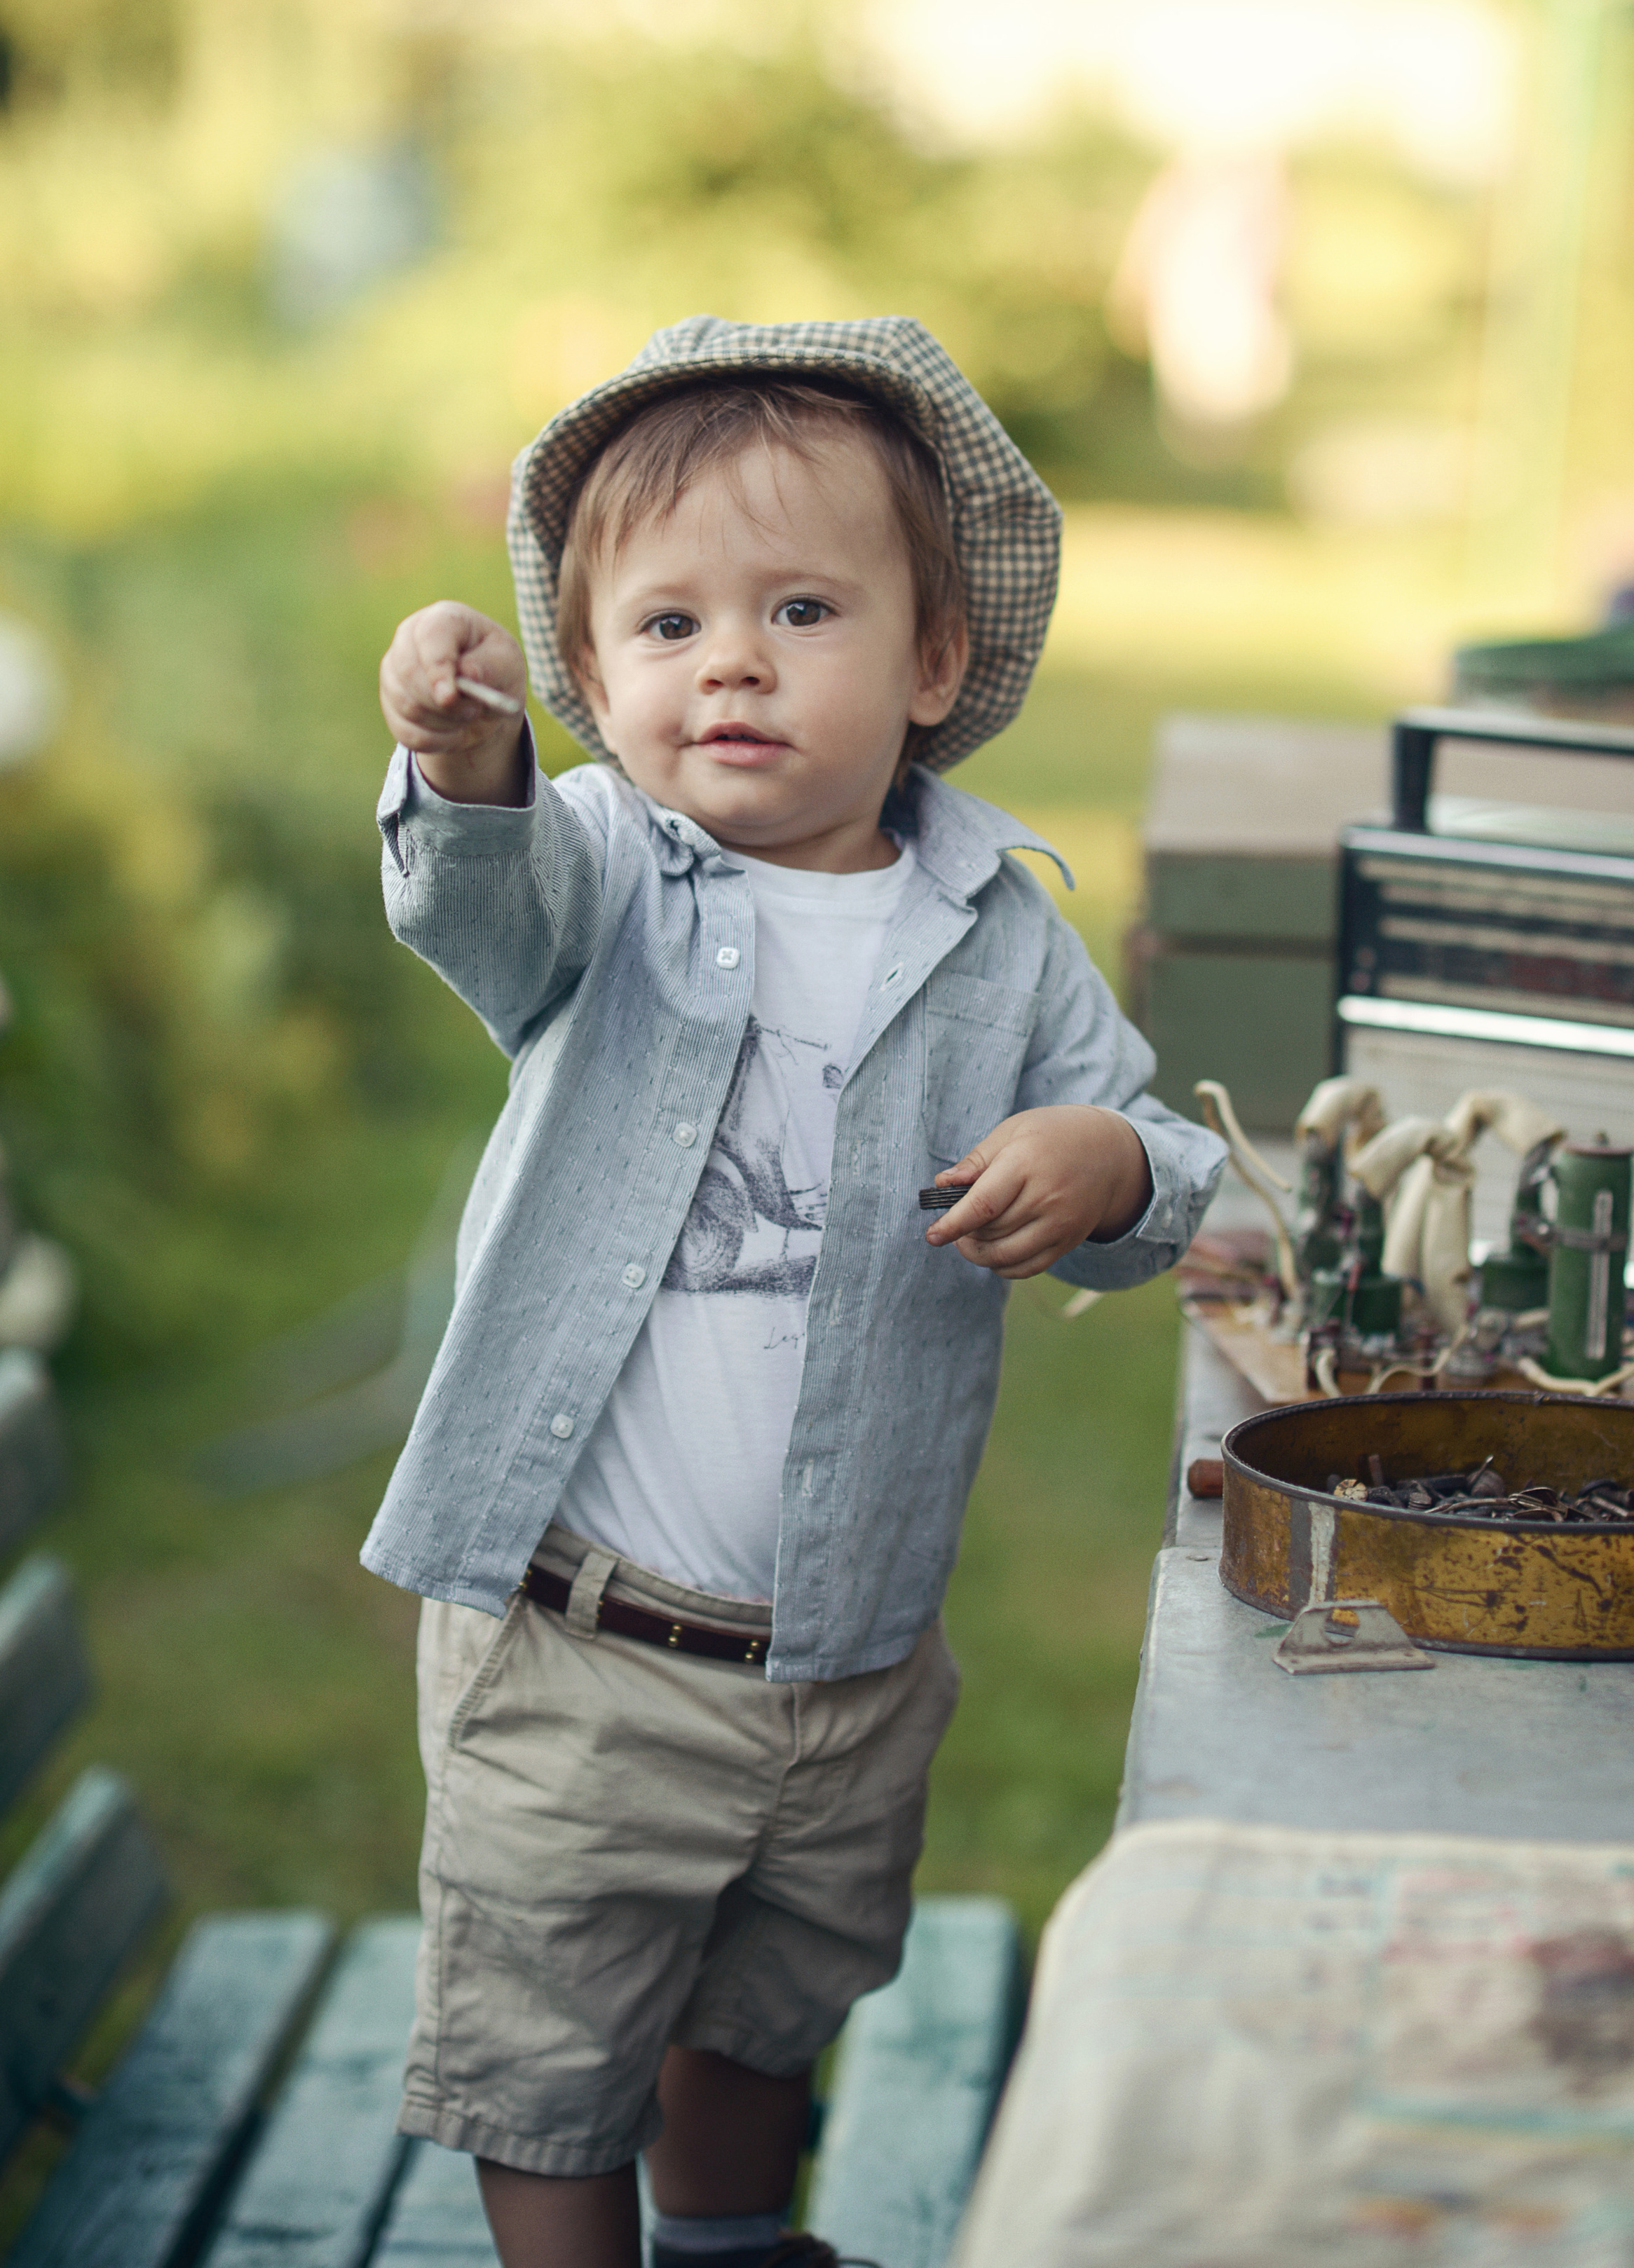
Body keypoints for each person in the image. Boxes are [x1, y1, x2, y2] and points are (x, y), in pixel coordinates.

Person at [368, 315, 1226, 2268]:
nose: (732, 662)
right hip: (584, 1653)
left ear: (933, 661)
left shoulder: (995, 929)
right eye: (668, 626)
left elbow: (1156, 1165)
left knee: (774, 1999)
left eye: (803, 610)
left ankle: (733, 2240)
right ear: (595, 680)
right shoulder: (600, 869)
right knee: (547, 2048)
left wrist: (1107, 1164)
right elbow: (480, 898)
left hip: (850, 1657)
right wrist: (467, 762)